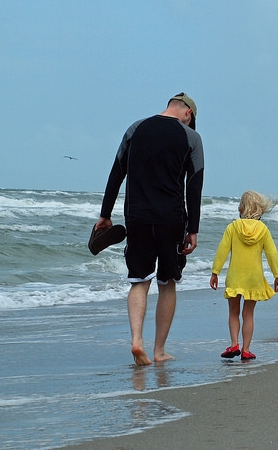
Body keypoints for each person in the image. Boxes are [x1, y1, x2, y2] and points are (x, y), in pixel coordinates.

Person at [94, 92, 204, 366]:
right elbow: (195, 184)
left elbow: (117, 171)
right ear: (188, 113)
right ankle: (159, 351)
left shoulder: (136, 128)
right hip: (171, 219)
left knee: (139, 280)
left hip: (137, 216)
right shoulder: (191, 138)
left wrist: (105, 214)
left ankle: (136, 341)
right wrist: (193, 228)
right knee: (167, 283)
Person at [210, 191, 278, 361]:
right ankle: (246, 349)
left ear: (241, 208)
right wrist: (277, 276)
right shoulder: (263, 229)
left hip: (235, 277)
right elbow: (272, 253)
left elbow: (222, 251)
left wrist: (215, 272)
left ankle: (234, 343)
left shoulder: (232, 227)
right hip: (254, 278)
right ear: (260, 209)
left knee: (233, 312)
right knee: (248, 314)